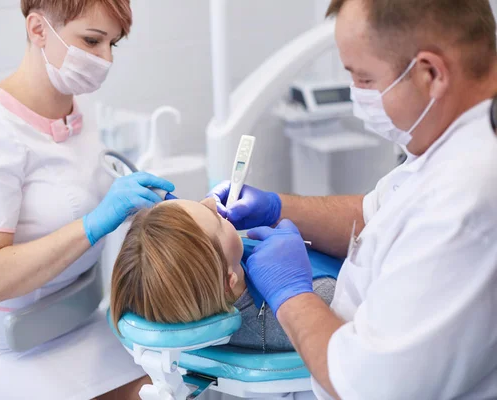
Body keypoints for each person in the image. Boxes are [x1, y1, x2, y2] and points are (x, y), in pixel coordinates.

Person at [209, 0, 497, 398]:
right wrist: (278, 208)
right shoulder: (451, 143)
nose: (357, 95)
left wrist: (290, 295)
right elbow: (375, 213)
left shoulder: (465, 199)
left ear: (431, 72)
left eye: (364, 80)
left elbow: (367, 384)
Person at [0, 1, 175, 399]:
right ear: (38, 29)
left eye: (113, 44)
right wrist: (93, 225)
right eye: (92, 40)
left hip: (72, 322)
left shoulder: (79, 104)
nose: (105, 59)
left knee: (165, 390)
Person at [109, 198, 336, 352]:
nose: (211, 202)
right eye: (216, 220)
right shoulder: (319, 298)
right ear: (229, 282)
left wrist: (277, 206)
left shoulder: (196, 304)